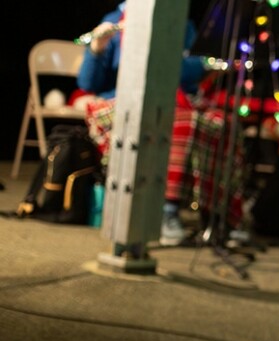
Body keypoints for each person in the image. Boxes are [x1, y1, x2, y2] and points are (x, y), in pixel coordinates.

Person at [77, 2, 209, 246]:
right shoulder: (115, 18)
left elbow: (195, 69)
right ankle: (166, 209)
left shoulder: (180, 21)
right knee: (177, 121)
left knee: (217, 124)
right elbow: (88, 82)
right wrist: (97, 49)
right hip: (120, 100)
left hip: (170, 98)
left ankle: (220, 218)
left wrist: (162, 51)